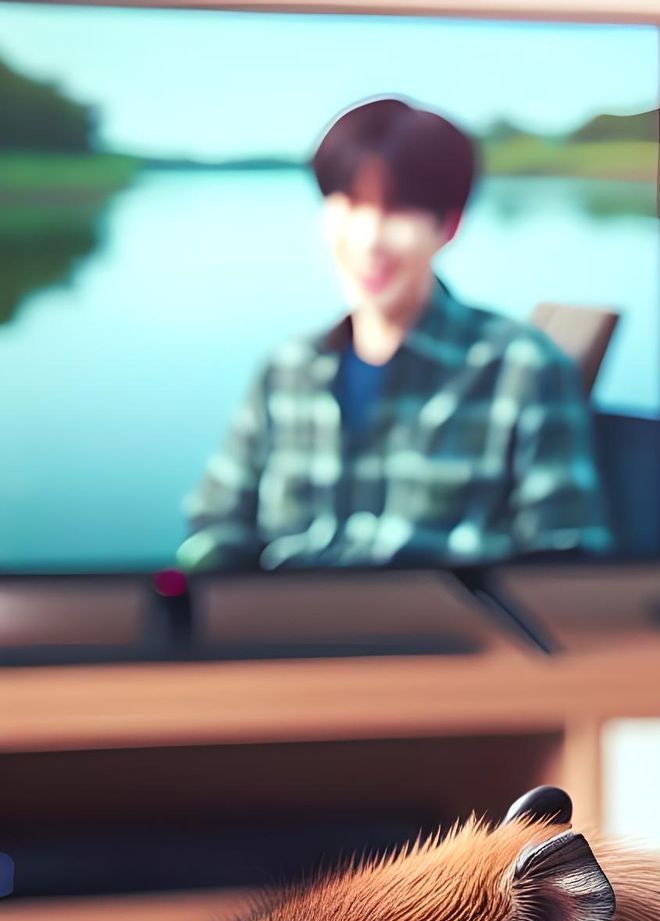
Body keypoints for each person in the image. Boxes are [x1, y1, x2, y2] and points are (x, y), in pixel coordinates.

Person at [179, 97, 612, 571]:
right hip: (283, 633)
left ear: (448, 225)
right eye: (349, 202)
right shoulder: (284, 370)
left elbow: (568, 558)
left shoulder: (523, 369)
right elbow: (215, 526)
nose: (369, 239)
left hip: (453, 634)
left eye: (397, 210)